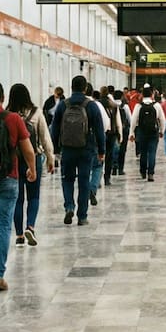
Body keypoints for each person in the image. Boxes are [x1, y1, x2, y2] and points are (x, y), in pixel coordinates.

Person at [0, 79, 36, 292]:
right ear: (3, 98)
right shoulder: (13, 119)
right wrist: (32, 169)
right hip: (8, 178)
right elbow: (28, 149)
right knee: (3, 225)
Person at [50, 75, 106, 225]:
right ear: (85, 88)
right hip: (86, 149)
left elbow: (54, 128)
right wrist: (102, 150)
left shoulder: (63, 105)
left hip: (67, 149)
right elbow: (100, 130)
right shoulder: (91, 105)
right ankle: (82, 216)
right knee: (84, 181)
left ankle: (69, 206)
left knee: (67, 180)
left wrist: (55, 148)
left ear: (71, 87)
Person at [9, 82, 54, 248]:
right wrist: (50, 158)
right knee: (34, 196)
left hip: (14, 161)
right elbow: (44, 137)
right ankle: (31, 227)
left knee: (18, 199)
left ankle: (19, 235)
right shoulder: (36, 113)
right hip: (33, 158)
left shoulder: (8, 115)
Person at [134, 87, 166, 181]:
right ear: (152, 95)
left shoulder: (138, 106)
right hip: (153, 132)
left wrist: (131, 133)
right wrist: (162, 131)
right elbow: (162, 119)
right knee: (152, 152)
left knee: (143, 152)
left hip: (142, 132)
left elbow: (133, 120)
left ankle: (143, 172)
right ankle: (151, 173)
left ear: (142, 95)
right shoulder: (157, 105)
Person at [86, 86, 110, 206]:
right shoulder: (96, 105)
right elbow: (105, 124)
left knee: (83, 169)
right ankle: (92, 188)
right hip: (93, 140)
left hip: (74, 143)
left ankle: (70, 205)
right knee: (97, 166)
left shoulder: (68, 104)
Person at [113, 87, 132, 175]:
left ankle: (113, 167)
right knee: (122, 149)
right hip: (124, 130)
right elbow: (129, 118)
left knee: (113, 148)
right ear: (121, 97)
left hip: (113, 129)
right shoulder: (125, 107)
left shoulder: (111, 105)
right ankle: (120, 169)